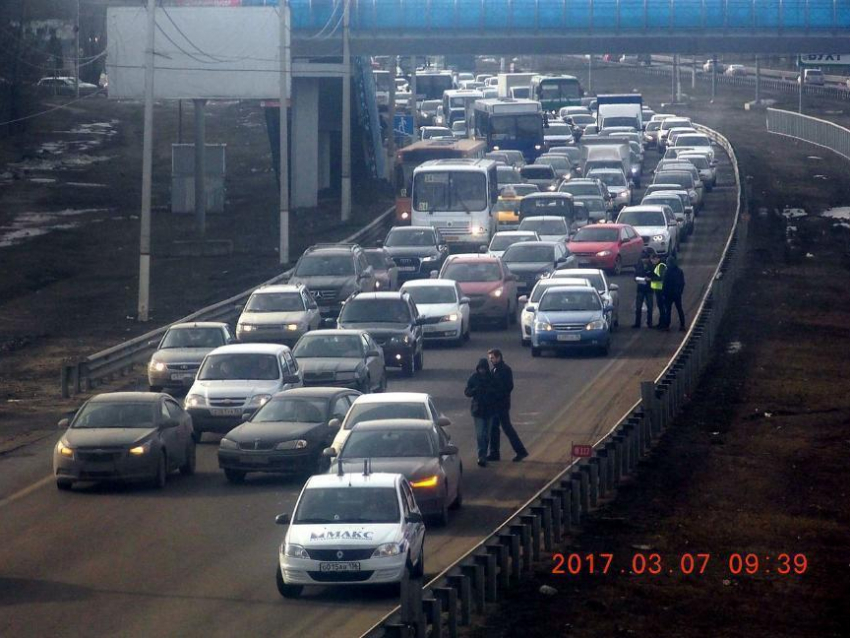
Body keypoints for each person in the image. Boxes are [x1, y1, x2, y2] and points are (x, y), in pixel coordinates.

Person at [487, 349, 528, 462]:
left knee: (507, 428)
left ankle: (521, 451)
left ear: (499, 357)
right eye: (490, 358)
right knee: (494, 429)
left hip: (502, 405)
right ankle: (494, 453)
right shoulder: (494, 370)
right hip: (495, 405)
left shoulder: (505, 370)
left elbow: (509, 387)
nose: (491, 360)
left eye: (492, 358)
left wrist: (496, 394)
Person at [464, 358, 496, 467]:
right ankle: (481, 455)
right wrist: (474, 390)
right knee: (480, 435)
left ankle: (484, 453)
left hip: (489, 410)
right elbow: (467, 391)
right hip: (478, 411)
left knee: (486, 435)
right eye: (480, 369)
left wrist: (490, 392)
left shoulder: (491, 378)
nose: (482, 371)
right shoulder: (474, 378)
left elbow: (497, 391)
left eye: (483, 369)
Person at [662, 254, 686, 331]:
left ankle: (667, 326)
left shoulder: (667, 272)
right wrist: (680, 291)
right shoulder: (679, 271)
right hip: (677, 294)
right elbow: (682, 283)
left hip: (668, 294)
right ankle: (682, 325)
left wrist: (663, 294)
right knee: (679, 309)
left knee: (668, 310)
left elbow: (665, 284)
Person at [632, 249, 655, 328]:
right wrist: (637, 279)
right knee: (638, 307)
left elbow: (655, 277)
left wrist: (650, 279)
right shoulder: (639, 265)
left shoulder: (652, 266)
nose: (644, 260)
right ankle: (637, 323)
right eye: (642, 258)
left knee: (650, 307)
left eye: (645, 258)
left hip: (649, 289)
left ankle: (650, 323)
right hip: (640, 288)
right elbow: (635, 276)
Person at [649, 252, 668, 330]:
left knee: (662, 307)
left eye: (652, 260)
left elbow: (661, 278)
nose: (652, 262)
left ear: (656, 258)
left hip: (662, 290)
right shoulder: (658, 266)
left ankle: (663, 324)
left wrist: (651, 279)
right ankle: (661, 323)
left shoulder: (661, 266)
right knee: (661, 307)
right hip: (658, 290)